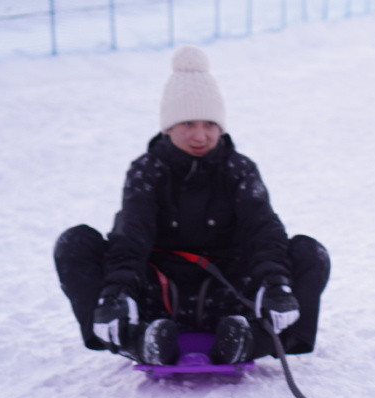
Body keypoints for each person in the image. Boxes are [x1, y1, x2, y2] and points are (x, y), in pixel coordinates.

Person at [54, 45, 330, 366]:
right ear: (168, 127)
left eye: (209, 124)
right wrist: (116, 294)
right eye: (187, 124)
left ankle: (250, 340)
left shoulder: (238, 169)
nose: (200, 135)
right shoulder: (147, 170)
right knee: (75, 243)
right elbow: (131, 234)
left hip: (227, 291)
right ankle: (138, 341)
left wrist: (276, 286)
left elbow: (263, 229)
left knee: (310, 253)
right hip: (159, 294)